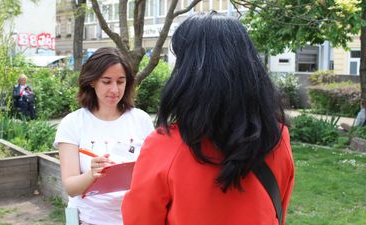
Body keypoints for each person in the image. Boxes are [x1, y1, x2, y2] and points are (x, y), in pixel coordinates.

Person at [122, 12, 295, 225]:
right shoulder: (277, 138)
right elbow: (278, 212)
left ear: (188, 74)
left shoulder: (164, 145)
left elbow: (140, 220)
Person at [53, 47, 154, 225]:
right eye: (106, 82)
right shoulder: (73, 123)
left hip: (134, 218)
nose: (114, 89)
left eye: (120, 81)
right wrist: (93, 174)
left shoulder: (141, 120)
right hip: (89, 219)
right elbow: (71, 187)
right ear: (92, 81)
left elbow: (153, 174)